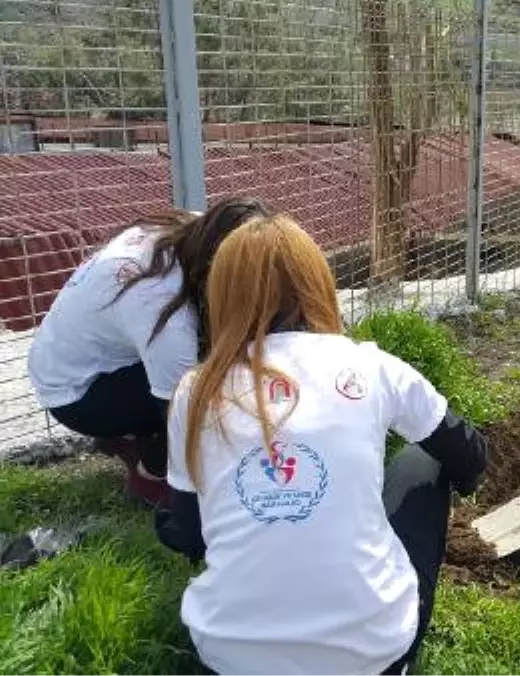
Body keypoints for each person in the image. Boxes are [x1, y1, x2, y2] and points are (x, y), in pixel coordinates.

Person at [152, 213, 488, 675]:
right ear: (318, 284)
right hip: (373, 656)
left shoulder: (195, 392)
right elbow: (467, 452)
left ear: (221, 296)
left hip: (230, 661)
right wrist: (467, 477)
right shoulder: (370, 366)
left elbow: (189, 533)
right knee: (419, 462)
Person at [26, 196, 271, 508]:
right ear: (215, 265)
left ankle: (126, 436)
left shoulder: (195, 229)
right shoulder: (162, 307)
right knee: (205, 390)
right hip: (76, 394)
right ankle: (151, 475)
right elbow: (181, 410)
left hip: (76, 359)